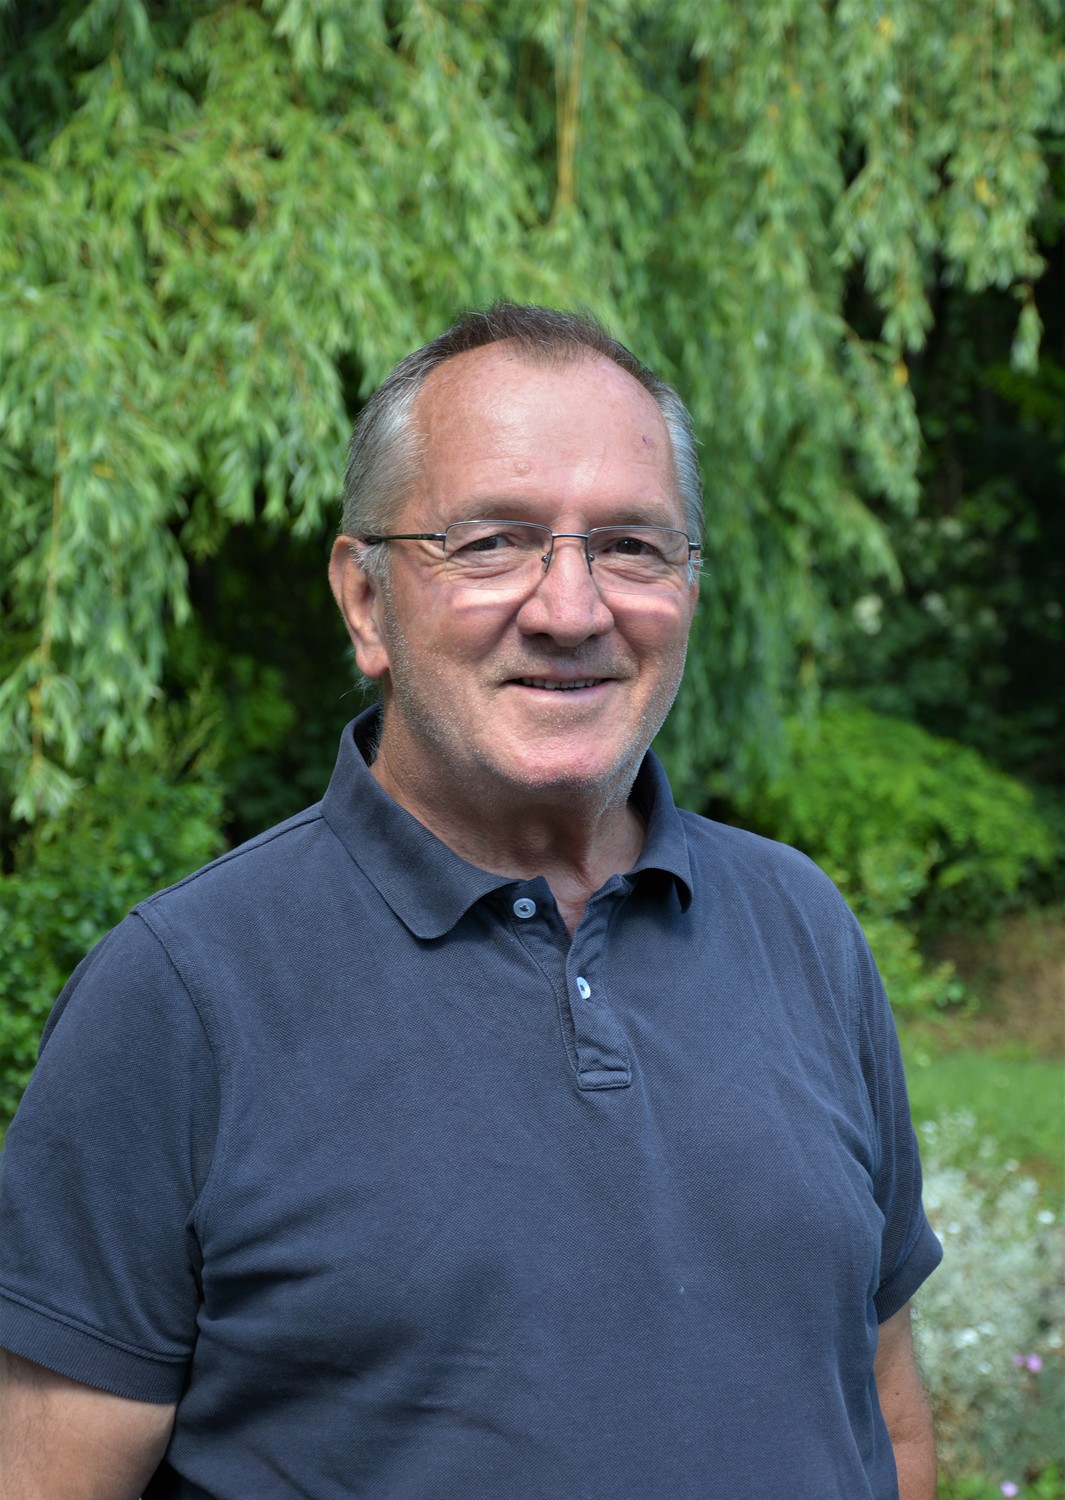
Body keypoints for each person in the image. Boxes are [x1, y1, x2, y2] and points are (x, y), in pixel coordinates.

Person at [0, 303, 941, 1499]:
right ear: (365, 601)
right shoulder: (182, 996)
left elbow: (885, 1416)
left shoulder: (800, 928)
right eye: (493, 541)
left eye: (632, 546)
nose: (570, 609)